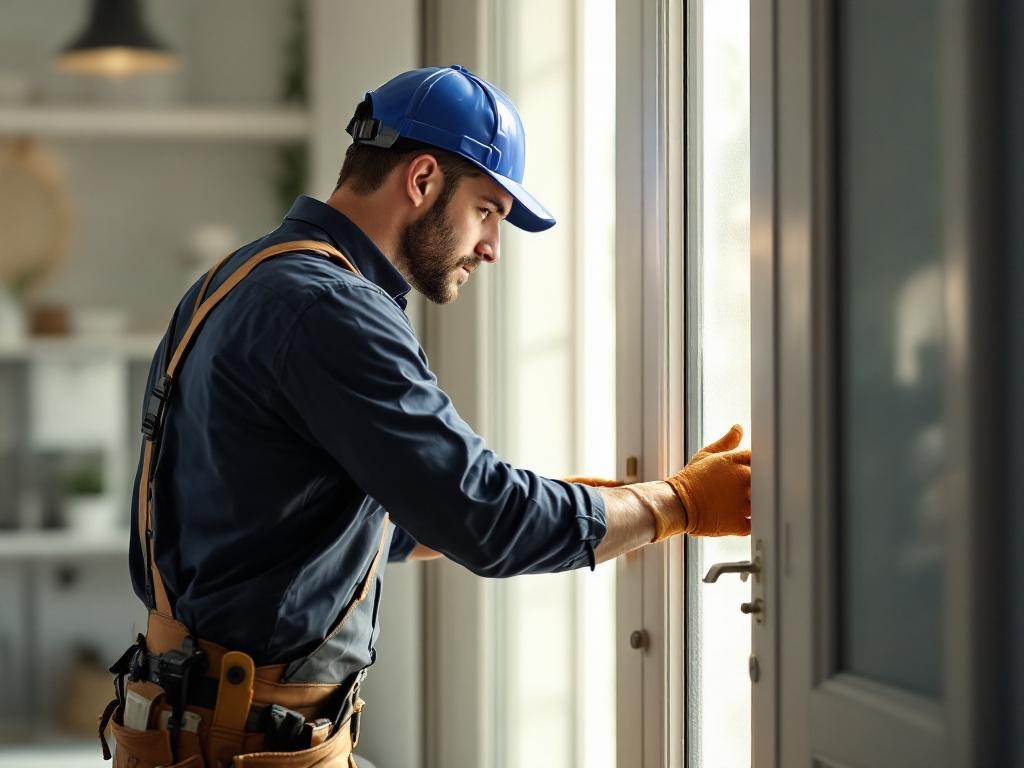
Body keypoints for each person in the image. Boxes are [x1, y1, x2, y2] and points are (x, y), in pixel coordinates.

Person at [99, 65, 751, 768]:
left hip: (195, 726)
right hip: (246, 744)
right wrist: (679, 503)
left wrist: (590, 504)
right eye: (489, 211)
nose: (492, 247)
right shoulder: (334, 310)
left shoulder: (238, 278)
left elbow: (281, 514)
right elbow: (487, 523)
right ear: (421, 181)